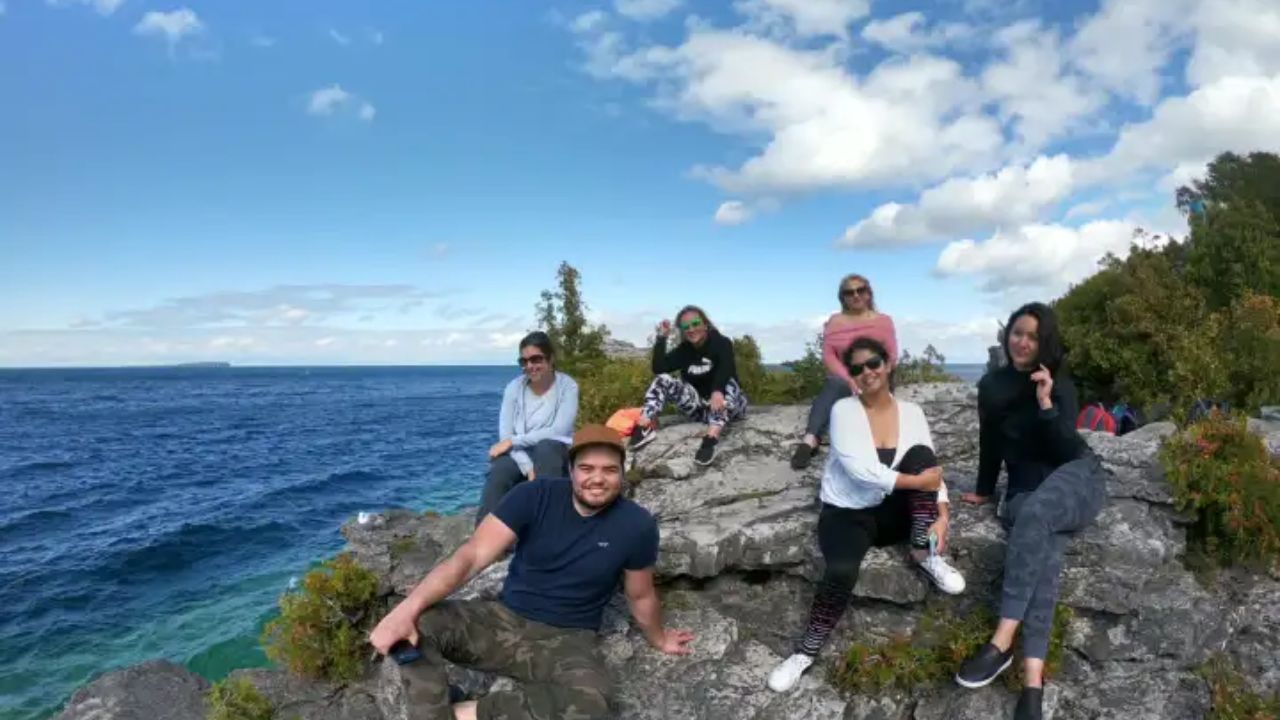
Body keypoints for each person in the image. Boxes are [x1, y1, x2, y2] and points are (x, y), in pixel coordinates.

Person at [370, 424, 695, 720]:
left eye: (610, 470)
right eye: (587, 468)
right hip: (502, 618)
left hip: (568, 639)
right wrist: (405, 609)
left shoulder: (636, 525)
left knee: (593, 706)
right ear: (570, 470)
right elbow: (471, 556)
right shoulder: (533, 495)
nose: (597, 478)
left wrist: (659, 638)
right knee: (418, 624)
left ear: (622, 474)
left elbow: (640, 594)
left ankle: (467, 712)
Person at [768, 337, 966, 693]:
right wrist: (917, 482)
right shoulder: (844, 410)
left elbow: (930, 470)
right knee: (841, 571)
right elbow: (861, 470)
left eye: (873, 363)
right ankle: (804, 653)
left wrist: (943, 513)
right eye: (857, 368)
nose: (867, 372)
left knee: (920, 452)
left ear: (888, 363)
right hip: (848, 512)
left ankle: (924, 552)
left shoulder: (913, 413)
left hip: (892, 510)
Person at [955, 302, 1106, 720]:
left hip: (1076, 477)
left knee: (1037, 515)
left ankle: (1001, 642)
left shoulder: (1060, 385)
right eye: (1017, 332)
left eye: (1032, 337)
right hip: (1023, 488)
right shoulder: (992, 386)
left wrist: (1045, 403)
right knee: (1045, 547)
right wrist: (985, 489)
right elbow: (990, 441)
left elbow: (1065, 448)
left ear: (1045, 343)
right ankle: (1033, 688)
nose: (1022, 342)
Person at [791, 274, 899, 470]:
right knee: (833, 386)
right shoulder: (835, 322)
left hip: (877, 376)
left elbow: (891, 355)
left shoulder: (884, 321)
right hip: (846, 377)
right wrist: (850, 379)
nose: (856, 295)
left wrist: (877, 376)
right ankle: (810, 440)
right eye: (849, 292)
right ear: (843, 297)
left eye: (861, 290)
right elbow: (829, 356)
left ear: (869, 294)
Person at [476, 332, 578, 524]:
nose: (529, 366)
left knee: (547, 447)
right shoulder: (514, 388)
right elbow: (505, 434)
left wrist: (513, 441)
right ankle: (484, 537)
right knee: (501, 469)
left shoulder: (567, 386)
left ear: (551, 359)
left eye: (536, 359)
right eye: (523, 361)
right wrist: (527, 466)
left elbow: (558, 431)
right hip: (521, 453)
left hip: (554, 451)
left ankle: (546, 527)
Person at [629, 305, 747, 466]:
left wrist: (717, 391)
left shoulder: (722, 343)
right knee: (663, 379)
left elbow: (727, 368)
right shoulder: (684, 351)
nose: (691, 329)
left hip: (730, 406)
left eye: (695, 323)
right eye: (686, 327)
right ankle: (643, 426)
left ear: (705, 324)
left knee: (729, 383)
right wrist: (662, 338)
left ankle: (710, 439)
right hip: (701, 409)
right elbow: (659, 367)